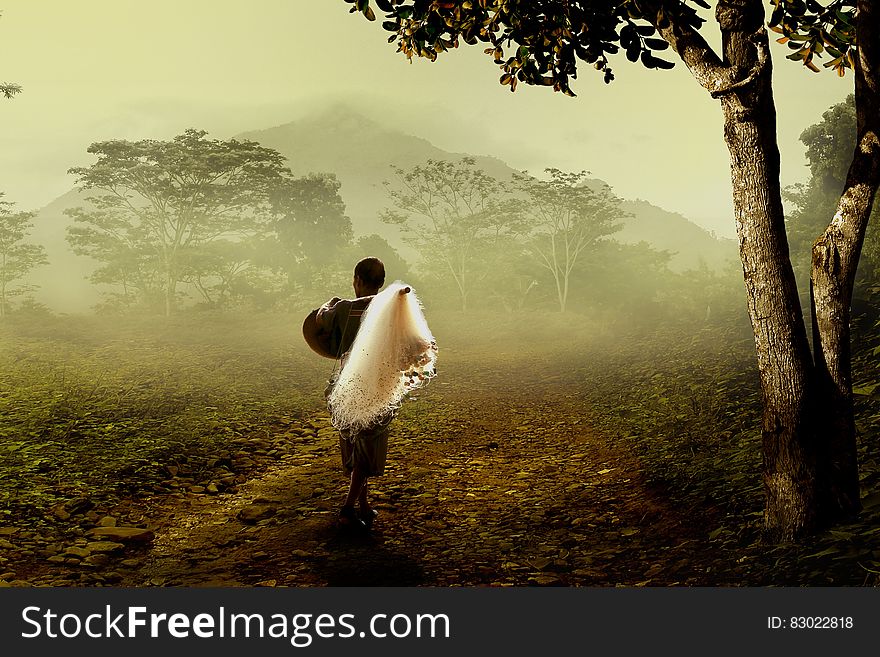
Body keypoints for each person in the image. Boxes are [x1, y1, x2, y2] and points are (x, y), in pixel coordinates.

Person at [315, 257, 389, 531]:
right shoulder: (389, 308)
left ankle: (363, 505)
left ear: (357, 280)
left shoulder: (343, 309)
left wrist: (332, 302)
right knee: (367, 445)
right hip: (376, 385)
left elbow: (320, 321)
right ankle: (349, 507)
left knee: (355, 442)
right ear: (381, 283)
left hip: (347, 384)